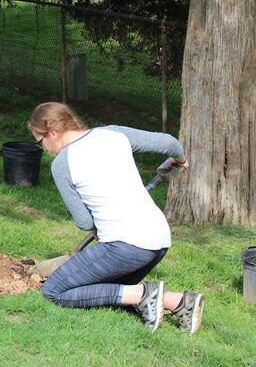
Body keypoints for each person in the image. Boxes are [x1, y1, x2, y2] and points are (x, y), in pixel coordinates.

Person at [28, 102, 204, 334]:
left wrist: (95, 227)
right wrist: (180, 161)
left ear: (52, 133)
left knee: (54, 290)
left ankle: (144, 294)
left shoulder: (62, 164)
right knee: (99, 290)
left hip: (125, 247)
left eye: (41, 142)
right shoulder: (113, 133)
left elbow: (83, 222)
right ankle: (181, 303)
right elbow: (170, 143)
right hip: (159, 241)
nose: (45, 148)